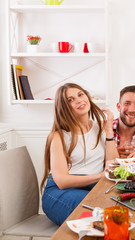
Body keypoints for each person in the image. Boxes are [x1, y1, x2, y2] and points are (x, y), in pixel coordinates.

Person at [40, 83, 119, 226]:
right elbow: (62, 181)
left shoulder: (100, 127)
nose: (78, 100)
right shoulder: (59, 136)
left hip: (91, 187)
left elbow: (113, 164)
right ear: (64, 108)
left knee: (119, 209)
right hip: (59, 193)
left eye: (80, 94)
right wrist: (100, 176)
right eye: (70, 100)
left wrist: (109, 130)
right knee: (102, 213)